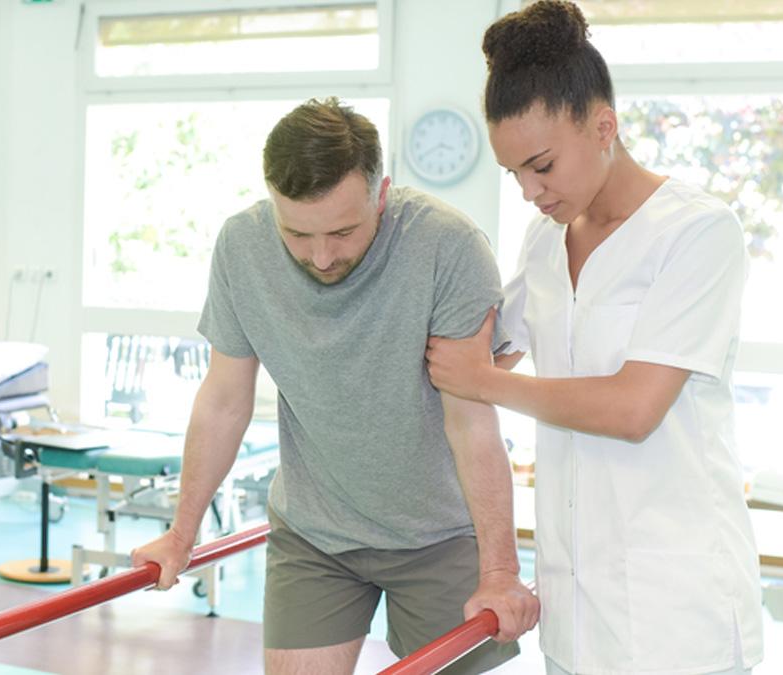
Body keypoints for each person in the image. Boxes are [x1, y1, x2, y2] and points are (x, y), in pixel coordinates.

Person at [132, 97, 538, 674]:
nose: (322, 257)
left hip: (440, 532)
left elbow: (472, 420)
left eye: (344, 231)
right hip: (314, 533)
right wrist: (181, 533)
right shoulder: (241, 246)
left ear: (382, 193)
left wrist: (500, 572)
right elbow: (224, 400)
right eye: (297, 234)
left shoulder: (448, 246)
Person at [423, 3, 764, 674]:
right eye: (513, 172)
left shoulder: (697, 232)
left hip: (677, 612)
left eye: (541, 164)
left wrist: (486, 383)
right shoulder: (545, 243)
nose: (529, 190)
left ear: (603, 125)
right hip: (575, 610)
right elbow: (484, 347)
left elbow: (632, 409)